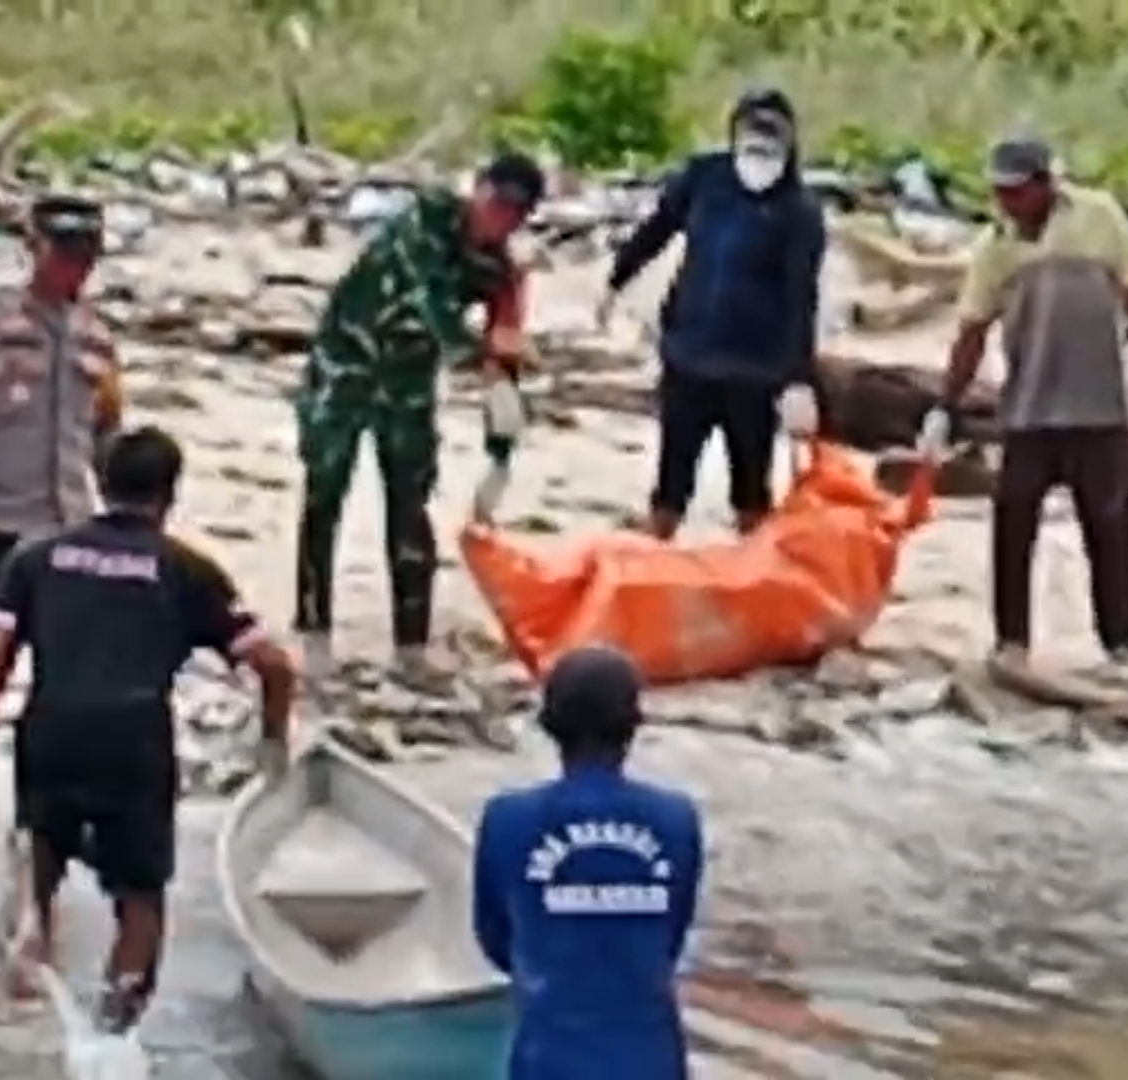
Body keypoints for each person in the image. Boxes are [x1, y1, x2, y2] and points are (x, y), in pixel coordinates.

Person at [0, 426, 296, 1030]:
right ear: (170, 493)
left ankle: (30, 930)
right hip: (135, 742)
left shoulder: (37, 556)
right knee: (139, 899)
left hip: (51, 731)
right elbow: (273, 664)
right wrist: (272, 745)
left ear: (99, 483)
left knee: (39, 847)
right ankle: (115, 1029)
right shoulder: (185, 569)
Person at [916, 136, 1128, 667]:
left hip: (1098, 406)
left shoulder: (1099, 218)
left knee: (1110, 527)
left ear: (1045, 184)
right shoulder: (996, 247)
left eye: (1016, 191)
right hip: (1029, 410)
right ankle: (1012, 643)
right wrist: (946, 406)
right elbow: (972, 330)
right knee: (1013, 524)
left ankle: (1121, 645)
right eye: (999, 193)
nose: (1007, 203)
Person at [294, 152, 544, 686]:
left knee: (410, 502)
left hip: (407, 381)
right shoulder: (425, 221)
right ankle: (313, 629)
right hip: (346, 365)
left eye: (513, 215)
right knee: (325, 494)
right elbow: (435, 306)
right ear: (476, 189)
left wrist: (500, 452)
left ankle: (411, 644)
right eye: (495, 203)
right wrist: (485, 355)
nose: (499, 219)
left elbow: (504, 354)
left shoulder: (496, 271)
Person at [596, 87, 827, 540]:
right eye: (751, 136)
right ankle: (645, 577)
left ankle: (755, 589)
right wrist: (615, 280)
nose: (759, 150)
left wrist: (800, 378)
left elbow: (802, 297)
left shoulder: (799, 210)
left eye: (771, 139)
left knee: (751, 491)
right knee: (670, 483)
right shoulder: (704, 178)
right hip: (689, 353)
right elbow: (658, 228)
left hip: (755, 369)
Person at [472, 645, 704, 1080]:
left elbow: (495, 938)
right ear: (632, 728)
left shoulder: (508, 819)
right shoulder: (676, 819)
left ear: (549, 726)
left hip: (550, 1060)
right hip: (651, 1062)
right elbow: (672, 936)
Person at [0, 194, 122, 750]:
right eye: (64, 252)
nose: (75, 266)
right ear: (35, 248)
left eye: (86, 255)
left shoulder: (98, 337)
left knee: (63, 666)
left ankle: (41, 792)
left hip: (66, 524)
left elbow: (107, 438)